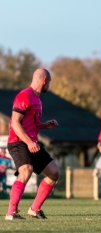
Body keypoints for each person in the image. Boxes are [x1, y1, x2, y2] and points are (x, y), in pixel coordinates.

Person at [5, 68, 60, 220]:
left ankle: (34, 209)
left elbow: (30, 123)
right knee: (26, 170)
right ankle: (11, 213)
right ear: (44, 81)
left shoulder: (37, 99)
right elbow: (15, 123)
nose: (49, 85)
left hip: (31, 143)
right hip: (18, 142)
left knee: (54, 172)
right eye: (49, 82)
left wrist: (44, 125)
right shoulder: (25, 96)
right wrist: (29, 142)